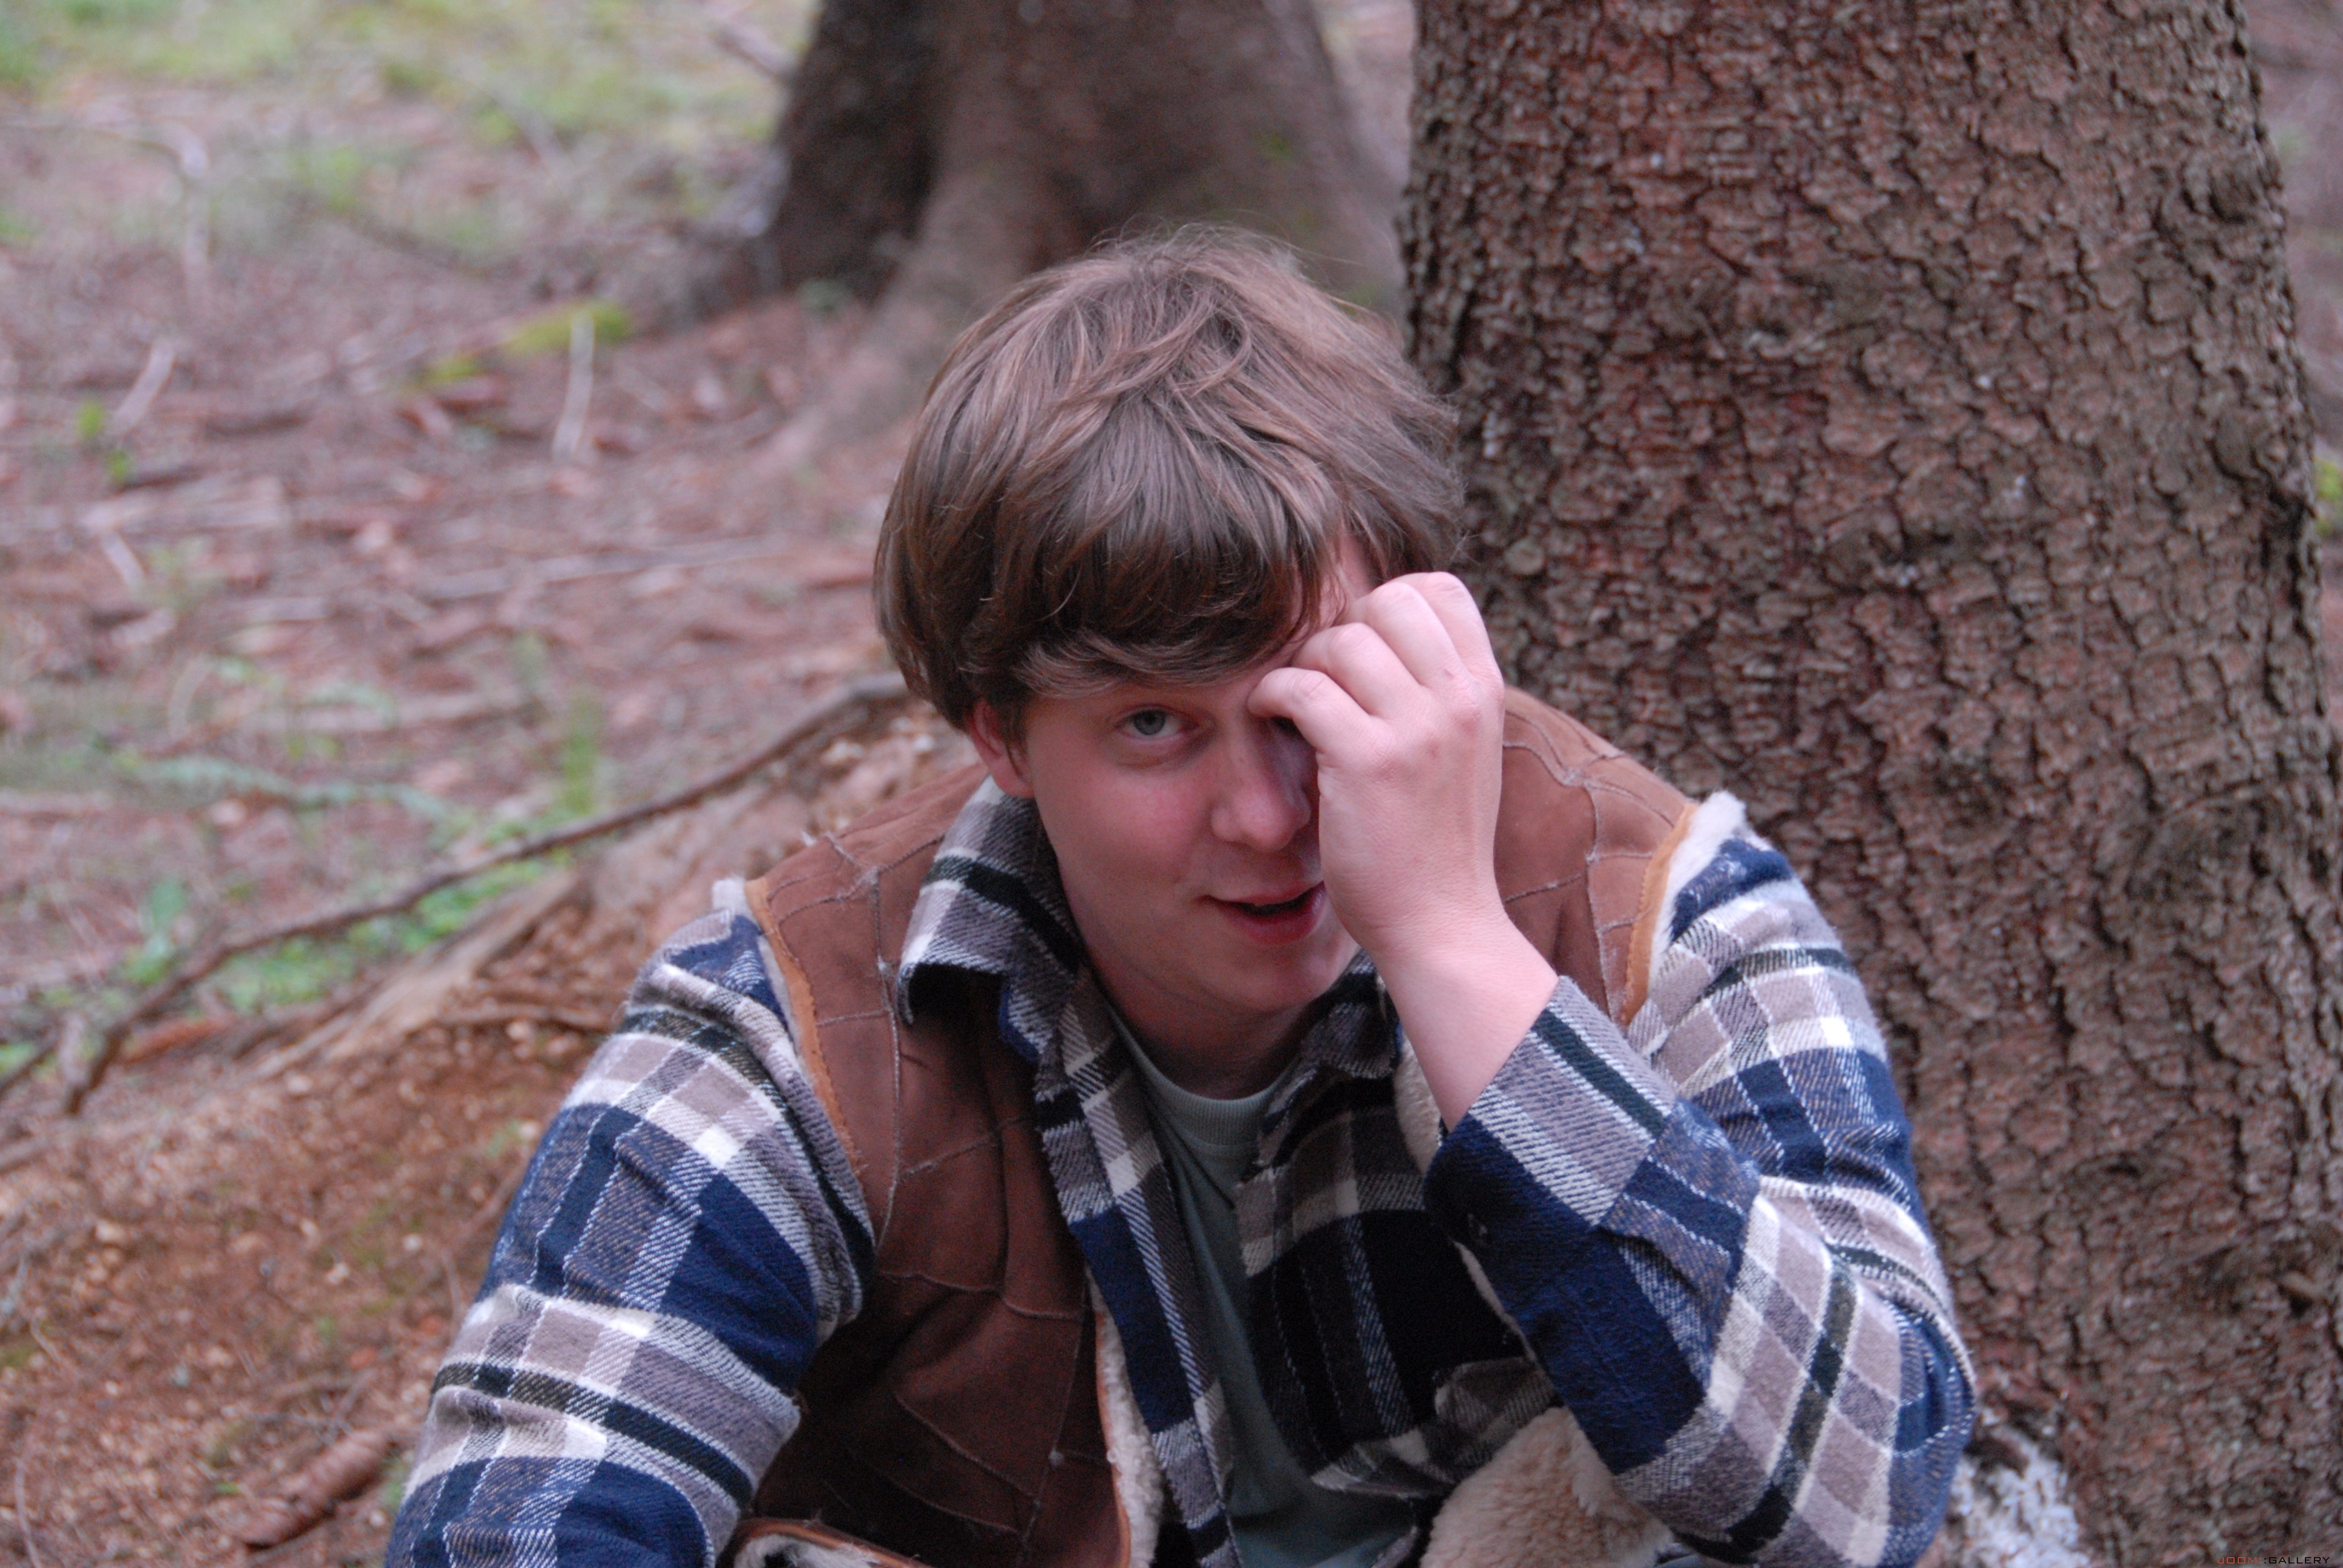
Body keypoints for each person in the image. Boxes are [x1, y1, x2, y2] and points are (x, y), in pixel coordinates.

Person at [388, 235, 1974, 1568]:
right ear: (1000, 734)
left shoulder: (1648, 901)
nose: (1266, 818)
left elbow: (1872, 1498)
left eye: (1307, 702)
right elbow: (519, 1511)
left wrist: (1455, 952)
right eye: (1155, 724)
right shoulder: (808, 1021)